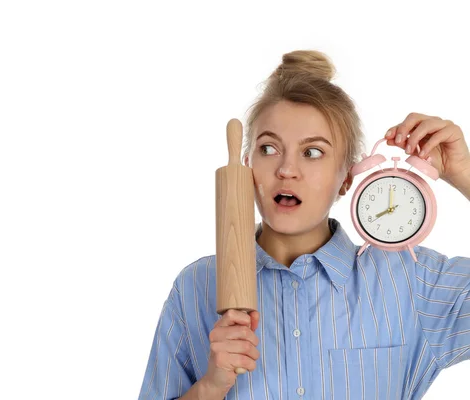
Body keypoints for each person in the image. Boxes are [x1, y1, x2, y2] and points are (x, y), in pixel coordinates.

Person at [138, 50, 470, 400]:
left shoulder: (410, 281)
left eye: (312, 152)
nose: (286, 169)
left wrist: (464, 173)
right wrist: (209, 387)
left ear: (346, 178)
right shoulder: (195, 287)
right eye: (269, 149)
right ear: (247, 166)